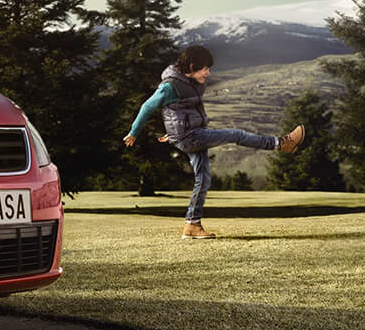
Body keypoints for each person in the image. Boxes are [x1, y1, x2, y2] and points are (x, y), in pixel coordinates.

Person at [123, 44, 304, 239]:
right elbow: (147, 107)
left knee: (203, 178)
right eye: (205, 68)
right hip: (190, 137)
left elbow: (175, 110)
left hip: (190, 135)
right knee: (236, 135)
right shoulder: (169, 86)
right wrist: (134, 132)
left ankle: (192, 225)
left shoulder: (187, 83)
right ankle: (280, 143)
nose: (208, 73)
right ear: (192, 67)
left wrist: (172, 132)